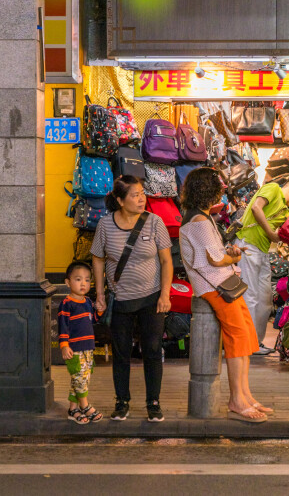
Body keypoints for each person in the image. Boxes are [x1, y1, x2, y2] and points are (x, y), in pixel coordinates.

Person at [179, 167, 271, 423]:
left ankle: (246, 395)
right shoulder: (198, 222)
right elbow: (216, 260)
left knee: (246, 336)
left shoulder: (201, 218)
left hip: (225, 285)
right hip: (216, 288)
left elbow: (215, 254)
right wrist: (235, 255)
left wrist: (229, 253)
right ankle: (237, 400)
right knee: (238, 338)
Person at [91, 175, 173, 423]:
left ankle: (153, 402)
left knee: (151, 350)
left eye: (142, 193)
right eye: (135, 195)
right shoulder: (105, 225)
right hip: (121, 299)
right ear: (119, 200)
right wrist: (100, 293)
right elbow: (97, 257)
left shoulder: (154, 222)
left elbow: (167, 260)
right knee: (121, 352)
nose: (141, 198)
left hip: (152, 298)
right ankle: (122, 401)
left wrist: (165, 294)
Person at [234, 179, 289, 355]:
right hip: (248, 244)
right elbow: (256, 208)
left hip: (262, 250)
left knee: (265, 298)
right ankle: (246, 343)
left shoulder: (287, 212)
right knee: (250, 295)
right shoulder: (273, 189)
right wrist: (272, 233)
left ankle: (255, 342)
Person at [58, 261, 103, 425]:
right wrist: (64, 345)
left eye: (87, 279)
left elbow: (95, 320)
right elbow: (63, 326)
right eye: (78, 279)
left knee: (80, 378)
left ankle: (73, 409)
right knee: (80, 377)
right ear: (68, 282)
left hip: (88, 347)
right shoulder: (66, 303)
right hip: (74, 349)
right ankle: (84, 406)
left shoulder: (88, 303)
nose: (83, 283)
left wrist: (99, 309)